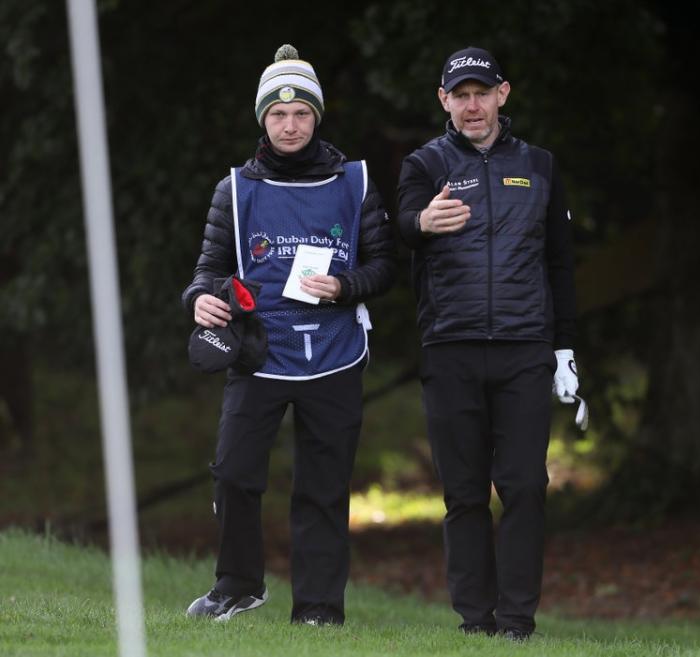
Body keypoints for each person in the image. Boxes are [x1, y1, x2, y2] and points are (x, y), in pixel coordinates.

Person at [181, 44, 395, 625]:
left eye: (301, 112)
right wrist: (198, 299)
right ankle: (238, 585)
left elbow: (384, 265)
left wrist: (346, 287)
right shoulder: (235, 188)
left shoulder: (356, 181)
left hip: (335, 353)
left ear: (317, 117)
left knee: (323, 487)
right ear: (263, 119)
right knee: (234, 471)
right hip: (259, 352)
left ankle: (320, 608)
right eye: (278, 114)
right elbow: (207, 270)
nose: (290, 124)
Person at [395, 46, 580, 640]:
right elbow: (397, 225)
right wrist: (421, 223)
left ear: (503, 93)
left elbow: (561, 263)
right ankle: (476, 621)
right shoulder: (424, 166)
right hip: (450, 348)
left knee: (525, 485)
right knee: (465, 492)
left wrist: (565, 349)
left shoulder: (542, 165)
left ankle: (518, 622)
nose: (472, 106)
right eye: (460, 95)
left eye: (482, 93)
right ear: (443, 101)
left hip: (525, 348)